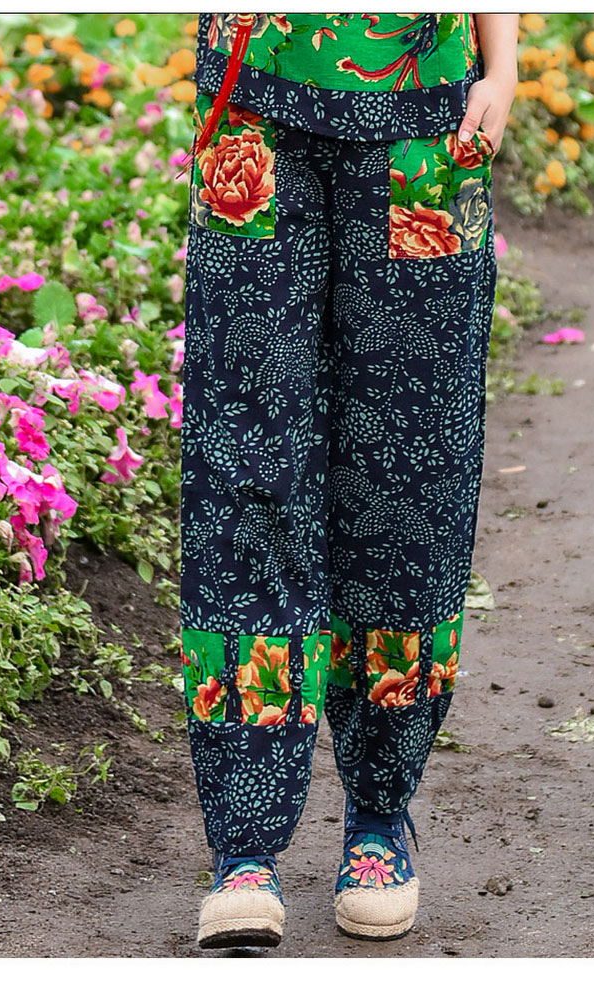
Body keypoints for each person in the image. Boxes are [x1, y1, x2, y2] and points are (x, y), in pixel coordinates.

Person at [179, 12, 518, 950]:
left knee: (409, 468)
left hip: (431, 115)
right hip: (254, 106)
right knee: (247, 462)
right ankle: (244, 847)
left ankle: (378, 817)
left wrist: (504, 67)